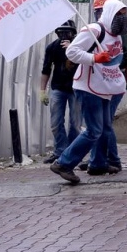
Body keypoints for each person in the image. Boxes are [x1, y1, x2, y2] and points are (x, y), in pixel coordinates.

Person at [49, 0, 127, 184]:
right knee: (94, 130)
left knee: (103, 128)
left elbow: (115, 62)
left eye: (125, 14)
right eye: (119, 14)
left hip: (105, 87)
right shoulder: (94, 30)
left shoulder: (116, 35)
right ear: (109, 13)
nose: (123, 18)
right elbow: (72, 52)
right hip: (88, 87)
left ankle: (99, 164)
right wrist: (94, 58)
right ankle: (63, 163)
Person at [78, 0, 127, 173]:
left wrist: (107, 61)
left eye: (103, 11)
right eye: (97, 12)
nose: (100, 15)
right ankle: (98, 160)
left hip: (113, 84)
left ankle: (111, 160)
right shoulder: (96, 30)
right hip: (98, 83)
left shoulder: (120, 34)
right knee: (100, 126)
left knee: (104, 125)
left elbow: (126, 59)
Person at [40, 20, 81, 164]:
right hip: (58, 88)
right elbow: (46, 69)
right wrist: (42, 91)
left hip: (77, 88)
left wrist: (72, 49)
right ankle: (60, 151)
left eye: (67, 33)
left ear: (73, 33)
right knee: (56, 122)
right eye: (61, 33)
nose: (64, 36)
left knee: (76, 123)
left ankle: (73, 152)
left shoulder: (79, 46)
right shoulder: (52, 47)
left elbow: (87, 62)